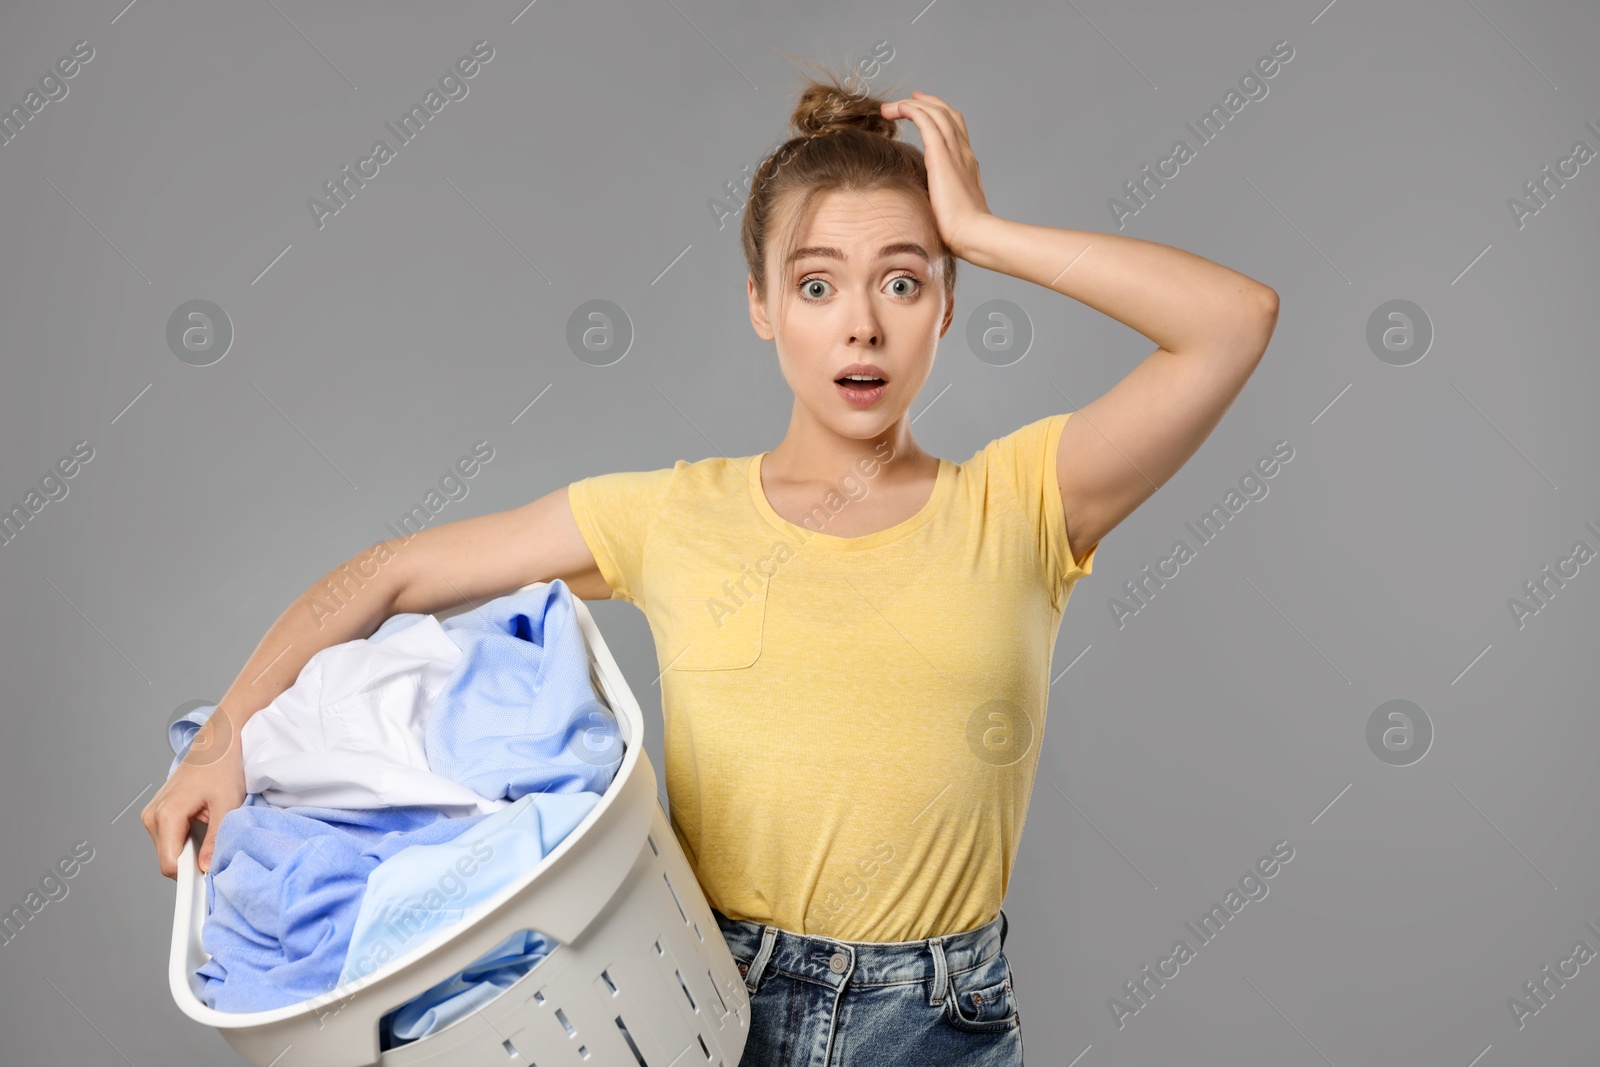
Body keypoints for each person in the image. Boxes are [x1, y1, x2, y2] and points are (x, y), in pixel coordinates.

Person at [144, 60, 1277, 1066]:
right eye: (817, 283)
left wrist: (980, 229)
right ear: (760, 306)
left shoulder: (1024, 502)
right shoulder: (675, 515)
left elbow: (1233, 319)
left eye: (905, 278)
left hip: (938, 1024)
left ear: (944, 307)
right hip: (699, 995)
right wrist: (221, 737)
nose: (861, 328)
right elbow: (389, 573)